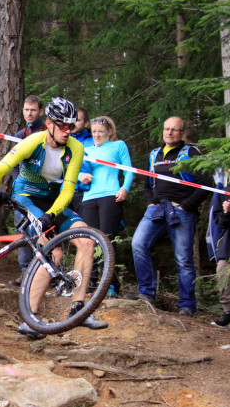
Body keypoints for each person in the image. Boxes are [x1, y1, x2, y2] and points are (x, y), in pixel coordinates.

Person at [0, 97, 108, 339]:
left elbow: (69, 189)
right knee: (52, 252)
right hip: (26, 197)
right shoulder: (33, 142)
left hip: (54, 200)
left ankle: (79, 308)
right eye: (62, 125)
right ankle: (30, 320)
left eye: (71, 126)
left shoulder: (76, 148)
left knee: (87, 241)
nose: (67, 130)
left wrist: (52, 215)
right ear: (49, 124)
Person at [129, 117, 211, 316]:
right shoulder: (154, 154)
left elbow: (206, 183)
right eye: (166, 129)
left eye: (174, 130)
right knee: (138, 244)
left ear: (183, 133)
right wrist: (150, 203)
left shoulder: (190, 152)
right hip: (156, 209)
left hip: (181, 211)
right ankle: (146, 294)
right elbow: (148, 184)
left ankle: (187, 305)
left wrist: (186, 205)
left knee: (183, 258)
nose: (169, 133)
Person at [78, 116, 134, 297]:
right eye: (94, 131)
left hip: (110, 196)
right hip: (89, 198)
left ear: (109, 132)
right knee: (90, 241)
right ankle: (90, 283)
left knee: (108, 241)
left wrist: (125, 188)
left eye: (100, 131)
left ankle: (110, 285)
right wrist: (81, 177)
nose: (96, 135)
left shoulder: (118, 146)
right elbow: (75, 171)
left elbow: (129, 170)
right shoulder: (86, 150)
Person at [8, 95, 46, 287]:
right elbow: (14, 162)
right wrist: (17, 181)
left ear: (41, 112)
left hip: (43, 189)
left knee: (43, 228)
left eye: (33, 110)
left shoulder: (47, 132)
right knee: (22, 228)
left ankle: (44, 273)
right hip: (23, 189)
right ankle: (25, 273)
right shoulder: (20, 134)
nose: (29, 113)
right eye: (26, 110)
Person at [211, 181, 230, 327]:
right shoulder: (224, 191)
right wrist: (226, 212)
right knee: (222, 269)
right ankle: (228, 312)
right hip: (228, 240)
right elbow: (219, 222)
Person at [70, 107, 94, 216]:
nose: (73, 123)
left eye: (77, 120)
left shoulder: (95, 141)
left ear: (86, 123)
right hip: (65, 190)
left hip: (87, 193)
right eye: (72, 120)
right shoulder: (64, 139)